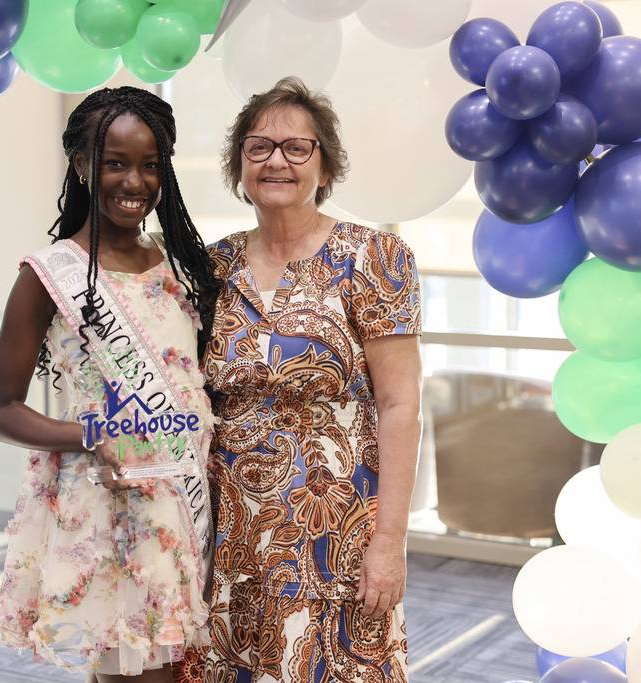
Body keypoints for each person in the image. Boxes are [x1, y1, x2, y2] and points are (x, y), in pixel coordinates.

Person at [0, 86, 220, 682]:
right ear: (82, 165)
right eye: (115, 163)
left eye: (149, 165)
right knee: (131, 669)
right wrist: (90, 435)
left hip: (181, 499)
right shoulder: (47, 276)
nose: (134, 182)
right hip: (105, 508)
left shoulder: (180, 264)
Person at [196, 76, 423, 683]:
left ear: (325, 167)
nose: (277, 160)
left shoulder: (375, 258)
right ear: (239, 165)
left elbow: (401, 406)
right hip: (233, 535)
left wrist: (390, 542)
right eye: (259, 146)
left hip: (338, 536)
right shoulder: (209, 267)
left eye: (298, 147)